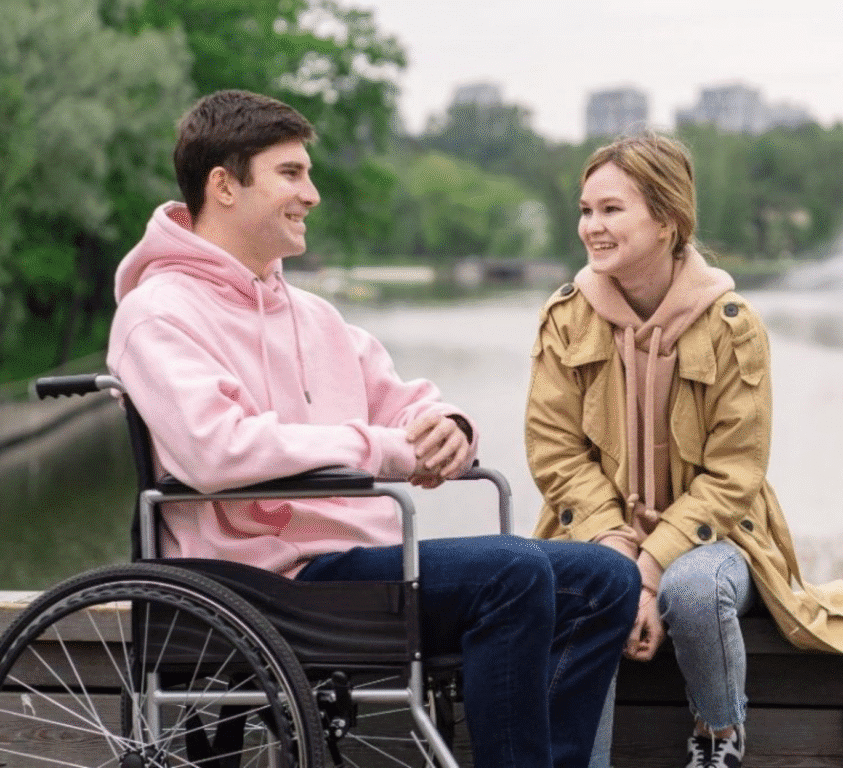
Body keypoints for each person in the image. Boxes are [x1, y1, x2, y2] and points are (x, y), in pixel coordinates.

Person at [106, 89, 641, 768]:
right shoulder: (159, 312)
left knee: (605, 578)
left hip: (356, 566)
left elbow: (402, 404)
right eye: (291, 173)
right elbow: (216, 450)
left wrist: (447, 427)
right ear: (224, 186)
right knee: (512, 570)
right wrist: (384, 451)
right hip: (259, 581)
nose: (312, 194)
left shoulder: (312, 315)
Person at [525, 131, 843, 768]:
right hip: (596, 534)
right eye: (586, 210)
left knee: (694, 592)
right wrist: (621, 558)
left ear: (667, 219)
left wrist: (650, 568)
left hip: (716, 537)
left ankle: (719, 735)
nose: (591, 227)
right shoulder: (565, 318)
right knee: (590, 595)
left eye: (611, 209)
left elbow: (733, 473)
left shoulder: (732, 324)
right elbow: (556, 454)